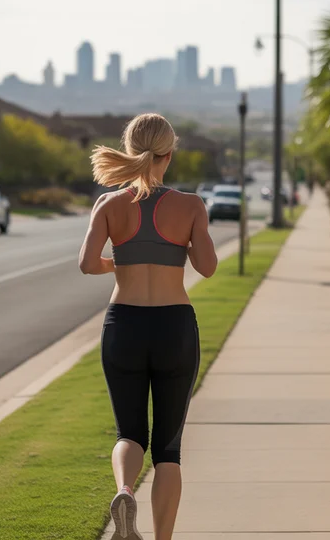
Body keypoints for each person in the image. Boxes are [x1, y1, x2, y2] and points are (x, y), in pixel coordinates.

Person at [78, 113, 218, 540]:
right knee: (169, 449)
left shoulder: (108, 204)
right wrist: (181, 245)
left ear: (129, 148)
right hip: (174, 326)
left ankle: (124, 491)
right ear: (169, 155)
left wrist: (123, 259)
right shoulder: (190, 205)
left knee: (130, 432)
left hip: (124, 324)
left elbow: (87, 264)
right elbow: (208, 267)